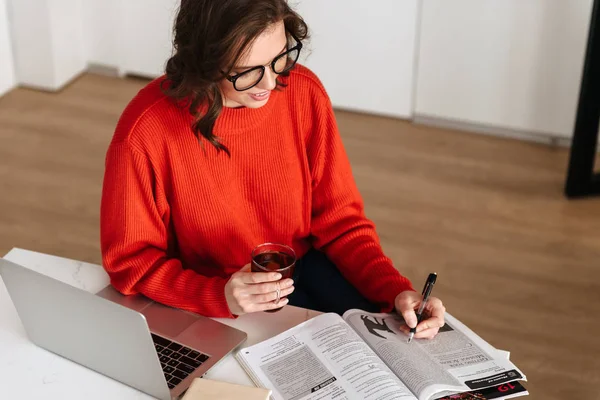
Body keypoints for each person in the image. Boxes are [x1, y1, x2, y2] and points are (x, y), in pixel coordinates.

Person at [100, 0, 446, 340]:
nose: (270, 84)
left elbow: (341, 223)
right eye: (247, 71)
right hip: (209, 298)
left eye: (279, 58)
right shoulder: (144, 131)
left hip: (307, 270)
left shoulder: (302, 90)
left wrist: (396, 289)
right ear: (204, 63)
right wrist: (218, 295)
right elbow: (131, 262)